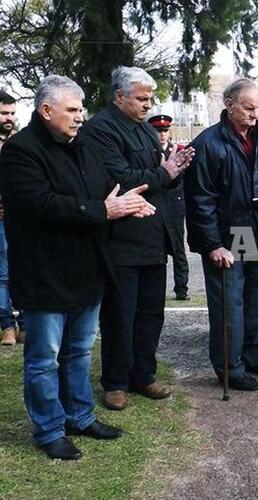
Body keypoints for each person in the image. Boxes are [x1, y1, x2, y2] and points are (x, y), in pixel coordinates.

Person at [0, 75, 155, 459]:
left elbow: (104, 190)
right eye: (72, 110)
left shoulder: (83, 146)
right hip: (45, 273)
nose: (80, 117)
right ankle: (50, 428)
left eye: (82, 109)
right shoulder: (20, 151)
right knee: (43, 359)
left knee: (79, 352)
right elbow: (42, 204)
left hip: (87, 268)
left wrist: (126, 205)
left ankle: (80, 417)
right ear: (46, 110)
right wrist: (105, 209)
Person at [80, 66, 195, 410]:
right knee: (120, 314)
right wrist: (164, 172)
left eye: (150, 99)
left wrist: (174, 170)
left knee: (150, 313)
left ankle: (143, 375)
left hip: (153, 236)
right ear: (119, 96)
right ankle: (115, 382)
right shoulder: (100, 129)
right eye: (141, 98)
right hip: (121, 238)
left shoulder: (146, 130)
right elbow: (122, 177)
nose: (148, 105)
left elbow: (159, 176)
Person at [185, 78, 258, 391]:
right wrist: (213, 244)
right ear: (229, 104)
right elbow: (200, 200)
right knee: (230, 305)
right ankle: (230, 367)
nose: (254, 114)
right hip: (226, 236)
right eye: (248, 107)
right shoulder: (207, 144)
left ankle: (255, 354)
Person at [149, 114, 190, 301]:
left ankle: (181, 289)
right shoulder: (148, 152)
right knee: (156, 249)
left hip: (174, 205)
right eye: (158, 131)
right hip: (154, 206)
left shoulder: (178, 151)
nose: (162, 134)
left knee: (178, 248)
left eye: (165, 130)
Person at [0, 89, 24, 346]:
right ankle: (7, 325)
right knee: (4, 273)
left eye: (12, 113)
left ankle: (26, 325)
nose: (9, 118)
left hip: (22, 216)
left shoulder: (18, 140)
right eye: (4, 113)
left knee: (23, 267)